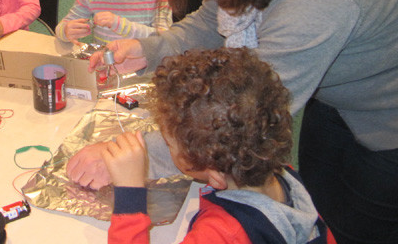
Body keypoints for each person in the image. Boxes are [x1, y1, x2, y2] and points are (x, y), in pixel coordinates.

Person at [67, 0, 398, 244]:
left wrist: (124, 157)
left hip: (387, 124)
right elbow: (211, 20)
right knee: (319, 202)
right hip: (336, 97)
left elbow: (241, 113)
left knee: (357, 225)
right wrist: (149, 50)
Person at [105, 48, 334, 244]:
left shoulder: (220, 234)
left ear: (215, 176)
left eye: (168, 144)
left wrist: (129, 194)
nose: (166, 148)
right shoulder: (285, 175)